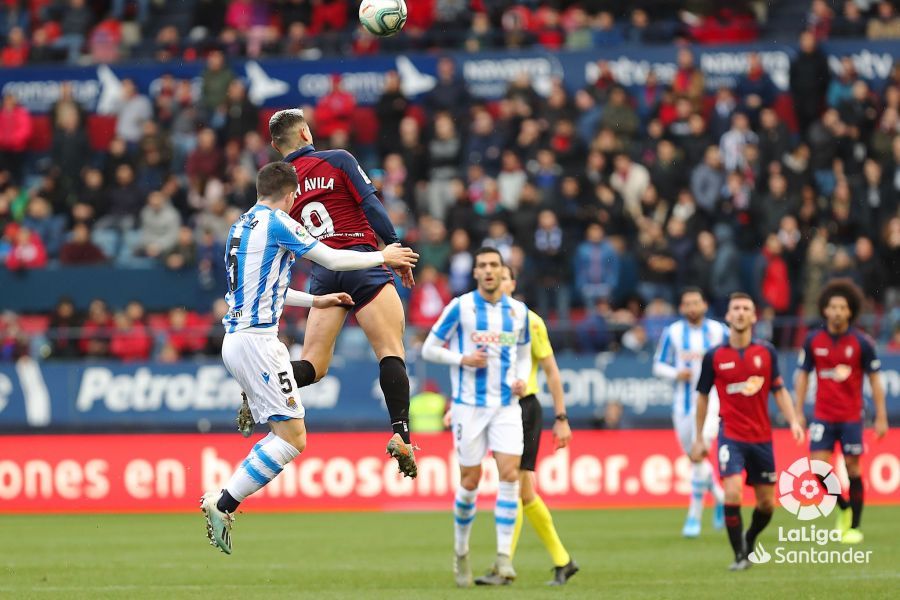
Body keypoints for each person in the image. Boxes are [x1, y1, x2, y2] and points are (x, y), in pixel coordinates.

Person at [201, 162, 417, 555]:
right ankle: (224, 502)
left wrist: (318, 300)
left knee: (287, 434)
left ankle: (226, 499)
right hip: (257, 344)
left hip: (236, 340)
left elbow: (263, 290)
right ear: (290, 194)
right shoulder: (279, 222)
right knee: (292, 439)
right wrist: (381, 256)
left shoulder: (241, 226)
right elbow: (333, 259)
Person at [237, 108, 419, 479]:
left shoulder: (282, 189)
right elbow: (371, 205)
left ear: (275, 145)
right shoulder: (338, 159)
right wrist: (394, 248)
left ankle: (260, 384)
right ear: (305, 132)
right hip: (363, 261)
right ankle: (401, 434)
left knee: (314, 367)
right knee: (390, 350)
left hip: (324, 274)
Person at [421, 247, 531, 587]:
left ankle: (503, 557)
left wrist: (521, 378)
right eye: (482, 265)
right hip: (468, 407)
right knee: (470, 481)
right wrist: (462, 359)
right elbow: (428, 348)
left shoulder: (518, 312)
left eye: (493, 265)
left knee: (510, 473)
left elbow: (524, 353)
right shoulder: (462, 307)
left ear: (502, 272)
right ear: (475, 273)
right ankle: (462, 551)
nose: (487, 270)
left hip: (505, 406)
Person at [691, 292, 804, 571]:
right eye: (736, 309)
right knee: (732, 493)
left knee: (767, 504)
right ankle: (740, 555)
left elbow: (779, 390)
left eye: (746, 308)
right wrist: (698, 438)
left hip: (762, 437)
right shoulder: (714, 356)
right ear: (728, 316)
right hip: (731, 434)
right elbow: (703, 396)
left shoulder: (766, 352)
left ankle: (750, 537)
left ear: (754, 317)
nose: (740, 313)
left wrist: (793, 421)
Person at [495, 265, 578, 586]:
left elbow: (552, 371)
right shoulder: (482, 321)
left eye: (503, 277)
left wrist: (561, 418)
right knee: (520, 489)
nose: (497, 282)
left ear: (512, 283)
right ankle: (561, 561)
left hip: (525, 408)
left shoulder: (530, 321)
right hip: (496, 409)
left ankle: (506, 565)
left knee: (517, 487)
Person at [793, 279, 888, 545]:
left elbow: (875, 380)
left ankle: (854, 526)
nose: (836, 312)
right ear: (824, 310)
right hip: (822, 414)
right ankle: (843, 506)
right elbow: (802, 376)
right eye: (832, 307)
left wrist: (881, 416)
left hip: (851, 417)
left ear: (850, 311)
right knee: (818, 470)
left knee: (853, 468)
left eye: (841, 307)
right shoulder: (814, 340)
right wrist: (799, 411)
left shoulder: (862, 342)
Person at [653, 288, 729, 538]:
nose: (692, 307)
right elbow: (658, 365)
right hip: (683, 405)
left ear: (704, 305)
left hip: (712, 402)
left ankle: (693, 517)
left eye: (696, 302)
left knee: (699, 451)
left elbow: (736, 356)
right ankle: (720, 498)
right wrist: (676, 373)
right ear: (682, 308)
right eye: (687, 303)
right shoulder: (673, 332)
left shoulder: (719, 331)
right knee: (695, 458)